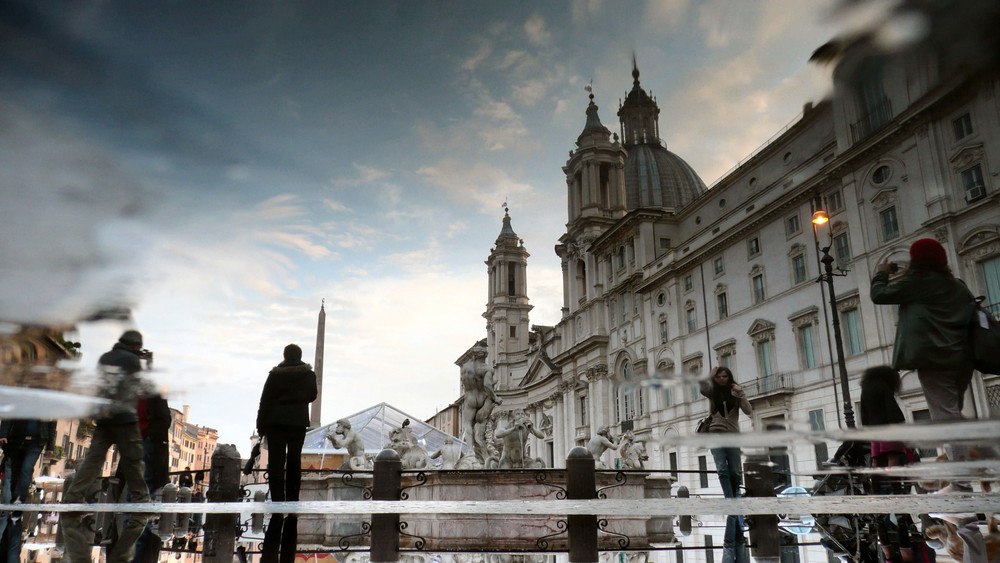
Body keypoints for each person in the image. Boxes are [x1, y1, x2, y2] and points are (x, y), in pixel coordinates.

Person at [870, 238, 994, 492]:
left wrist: (881, 274)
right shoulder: (957, 286)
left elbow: (879, 295)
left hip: (935, 360)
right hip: (962, 361)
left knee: (947, 420)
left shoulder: (919, 282)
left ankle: (961, 483)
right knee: (952, 415)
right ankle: (965, 470)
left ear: (918, 260)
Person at [61, 330, 153, 563]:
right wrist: (146, 364)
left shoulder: (105, 357)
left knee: (93, 459)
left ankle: (74, 495)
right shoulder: (133, 360)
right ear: (135, 345)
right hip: (124, 417)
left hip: (104, 417)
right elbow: (140, 386)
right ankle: (141, 498)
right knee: (133, 460)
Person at [699, 366, 752, 563]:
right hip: (715, 432)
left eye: (724, 376)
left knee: (735, 472)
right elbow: (702, 387)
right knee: (722, 469)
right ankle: (731, 501)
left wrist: (741, 393)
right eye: (719, 376)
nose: (722, 379)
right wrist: (710, 376)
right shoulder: (712, 391)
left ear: (729, 377)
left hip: (733, 435)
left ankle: (735, 497)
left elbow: (748, 410)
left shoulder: (735, 392)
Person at [255, 343, 317, 502]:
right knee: (294, 461)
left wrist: (260, 426)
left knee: (276, 462)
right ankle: (292, 498)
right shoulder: (309, 375)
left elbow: (265, 401)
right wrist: (296, 397)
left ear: (285, 356)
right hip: (297, 423)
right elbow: (312, 395)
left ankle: (277, 498)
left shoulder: (275, 375)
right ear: (300, 356)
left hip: (275, 423)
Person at [0, 419, 56, 503]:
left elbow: (52, 426)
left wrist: (50, 446)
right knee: (15, 472)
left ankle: (19, 499)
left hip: (37, 443)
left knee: (27, 468)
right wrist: (3, 434)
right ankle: (15, 498)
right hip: (17, 440)